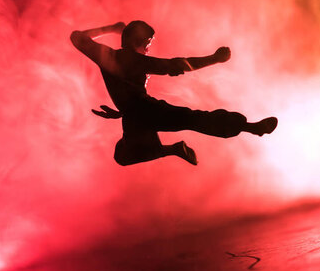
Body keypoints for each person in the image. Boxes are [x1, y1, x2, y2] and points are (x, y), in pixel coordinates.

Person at [70, 20, 278, 166]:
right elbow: (178, 65)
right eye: (148, 43)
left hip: (134, 115)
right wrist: (213, 58)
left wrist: (112, 28)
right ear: (138, 41)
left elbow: (77, 37)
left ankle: (249, 127)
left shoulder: (106, 56)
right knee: (193, 120)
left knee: (124, 155)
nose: (149, 47)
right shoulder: (136, 61)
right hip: (146, 111)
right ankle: (246, 127)